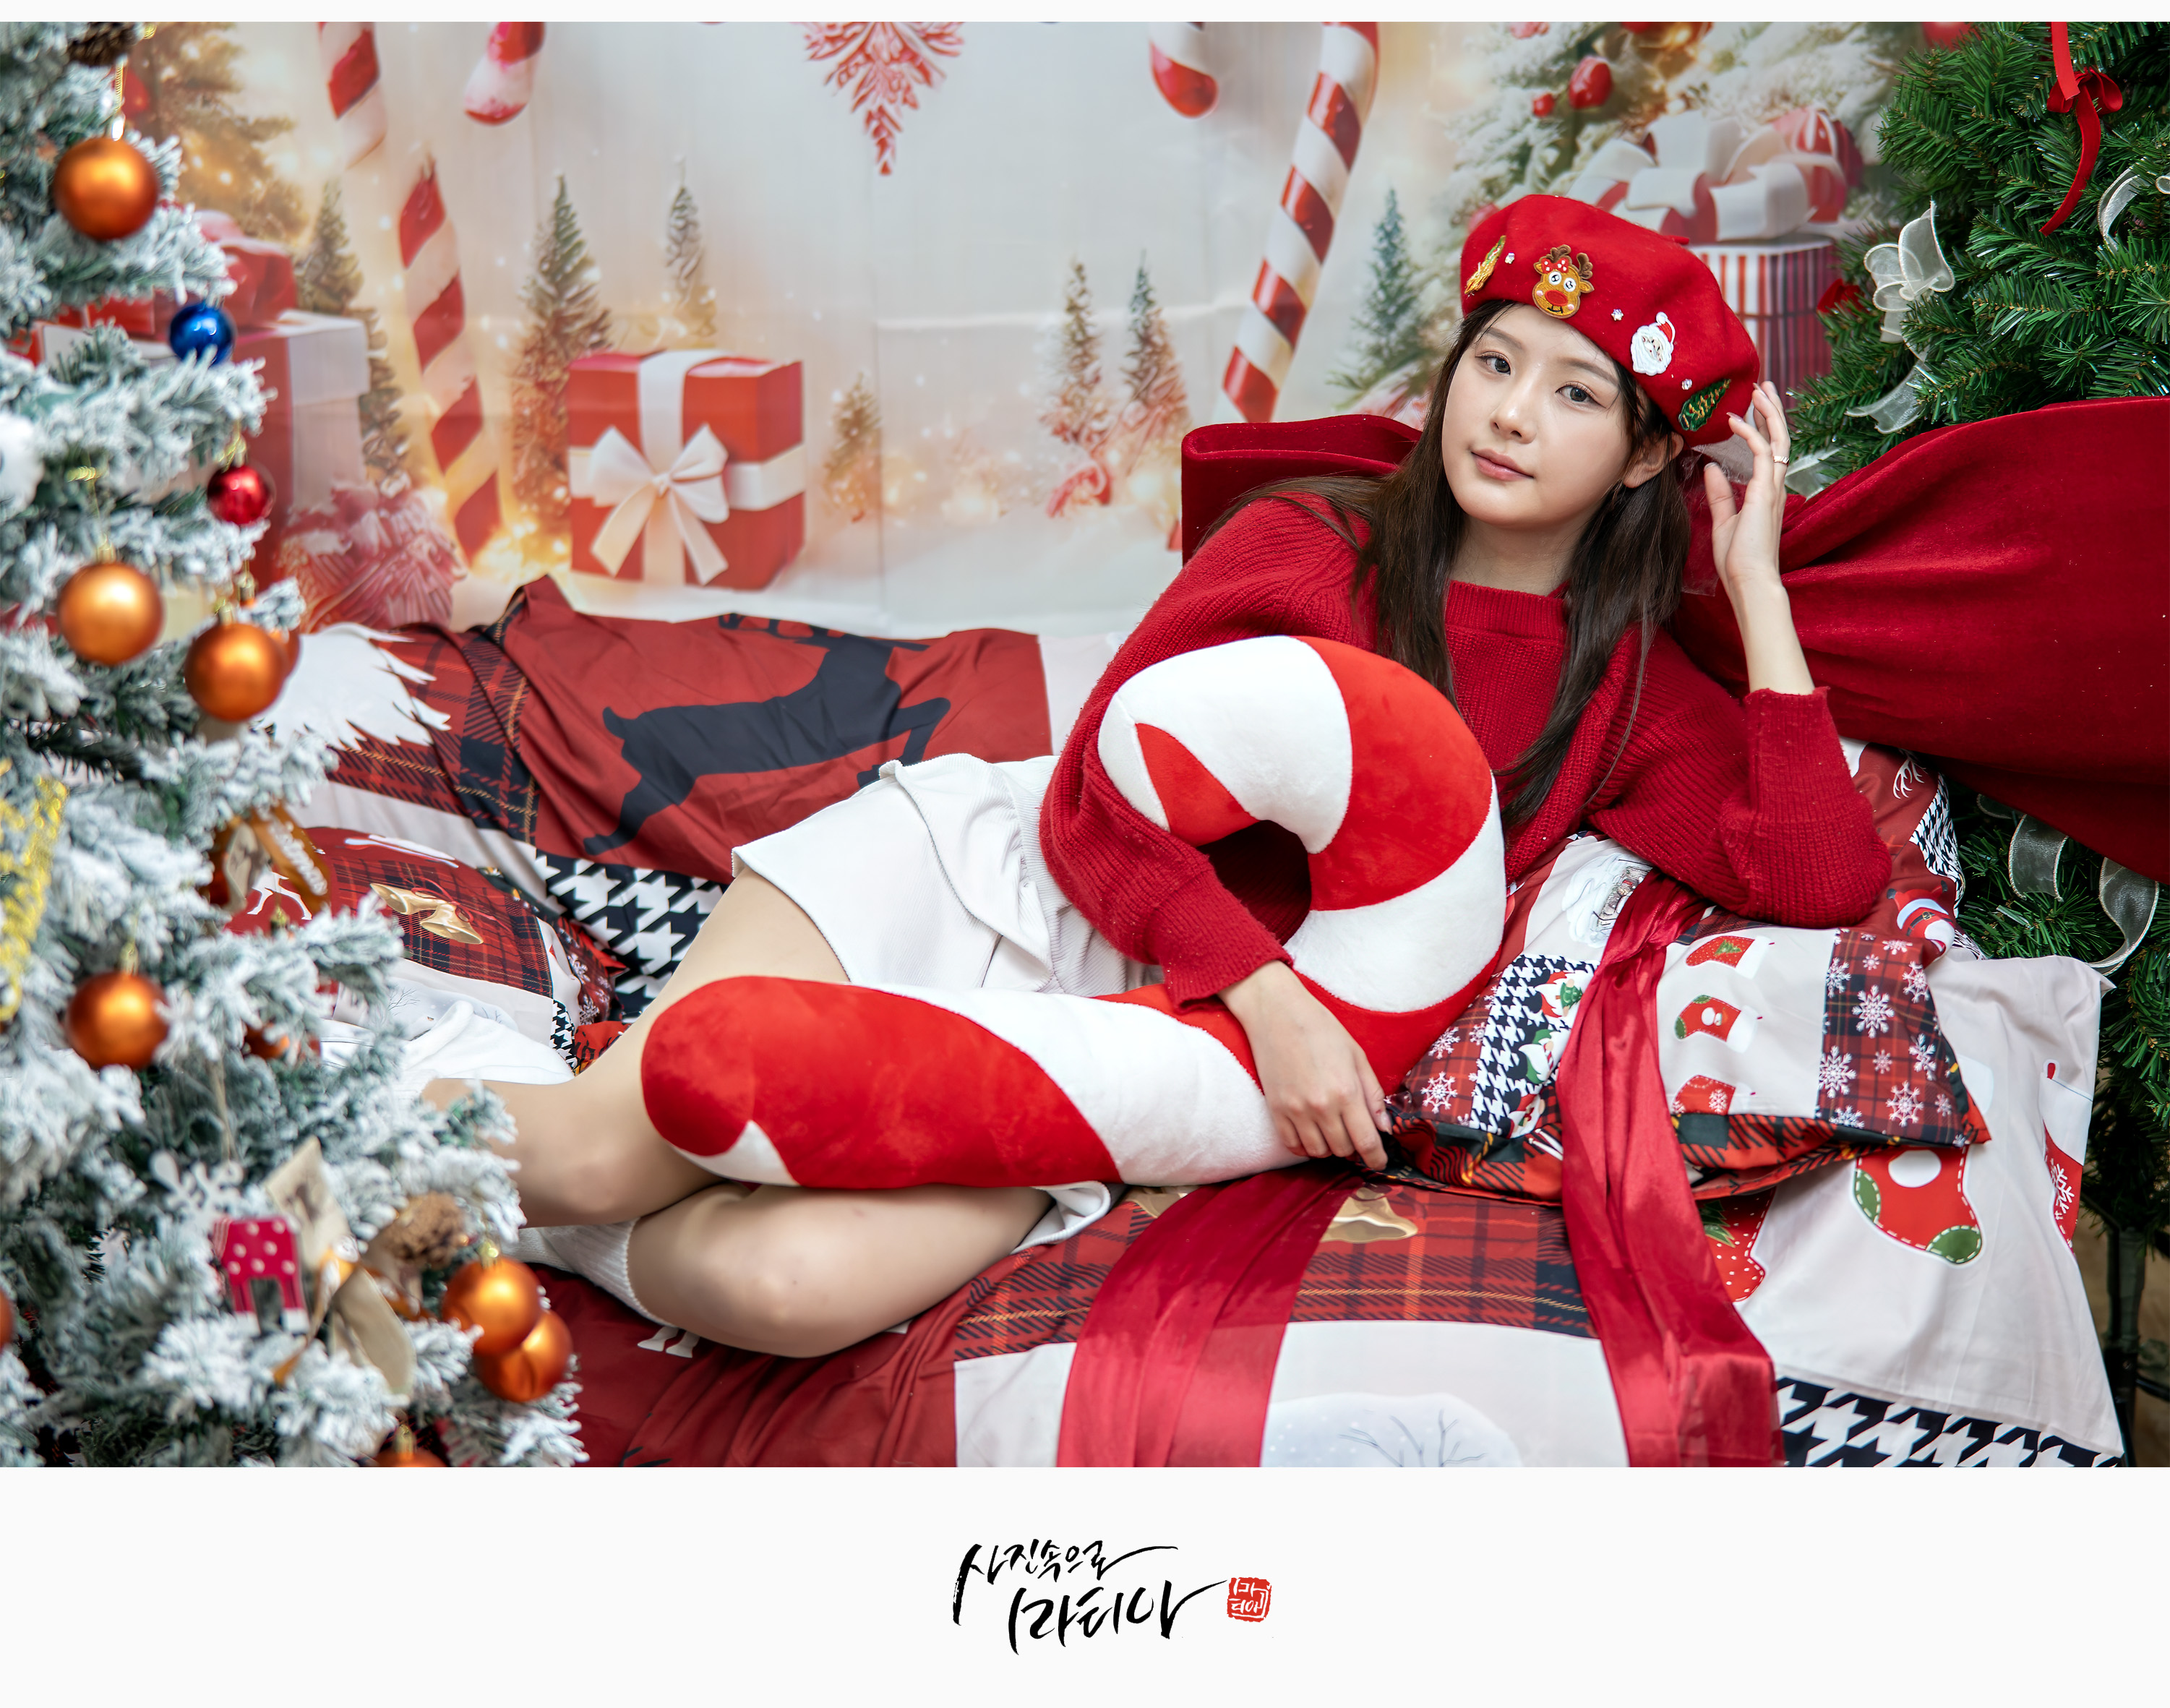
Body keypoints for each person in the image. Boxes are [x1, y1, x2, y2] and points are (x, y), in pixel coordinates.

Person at [429, 196, 1888, 1357]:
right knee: (594, 1159)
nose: (1508, 413)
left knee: (784, 1288)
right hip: (989, 886)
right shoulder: (1306, 547)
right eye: (1494, 363)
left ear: (1642, 457)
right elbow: (1089, 800)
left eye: (1574, 393)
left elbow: (1816, 877)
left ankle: (508, 1229)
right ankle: (377, 1138)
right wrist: (1273, 1004)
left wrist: (1754, 591)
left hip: (1125, 1058)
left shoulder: (1619, 693)